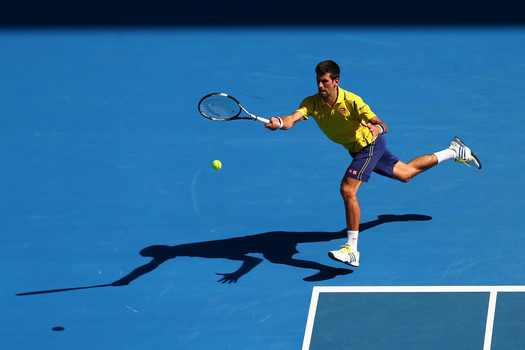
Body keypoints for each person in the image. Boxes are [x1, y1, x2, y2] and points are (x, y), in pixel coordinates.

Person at [265, 60, 481, 267]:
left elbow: (379, 122)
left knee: (347, 189)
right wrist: (280, 121)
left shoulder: (352, 101)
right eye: (318, 81)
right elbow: (293, 118)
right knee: (405, 173)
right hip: (357, 149)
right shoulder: (312, 102)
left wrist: (379, 128)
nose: (320, 85)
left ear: (336, 81)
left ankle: (351, 250)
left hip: (369, 145)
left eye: (325, 81)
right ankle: (454, 151)